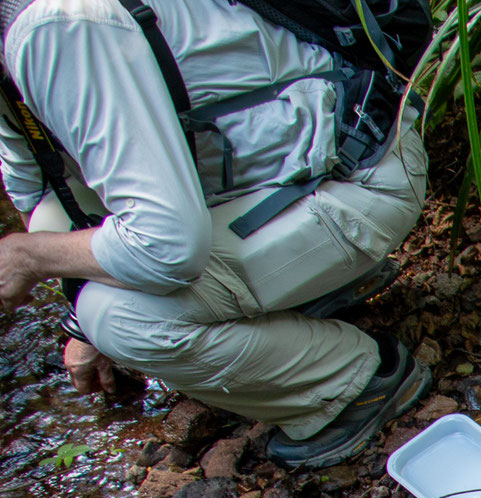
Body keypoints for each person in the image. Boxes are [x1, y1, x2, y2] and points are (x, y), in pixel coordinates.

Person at [0, 0, 431, 468]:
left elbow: (167, 249)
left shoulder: (58, 29)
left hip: (358, 181)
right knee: (94, 297)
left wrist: (30, 261)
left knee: (118, 318)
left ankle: (351, 381)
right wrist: (74, 314)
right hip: (278, 181)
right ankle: (304, 296)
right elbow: (43, 189)